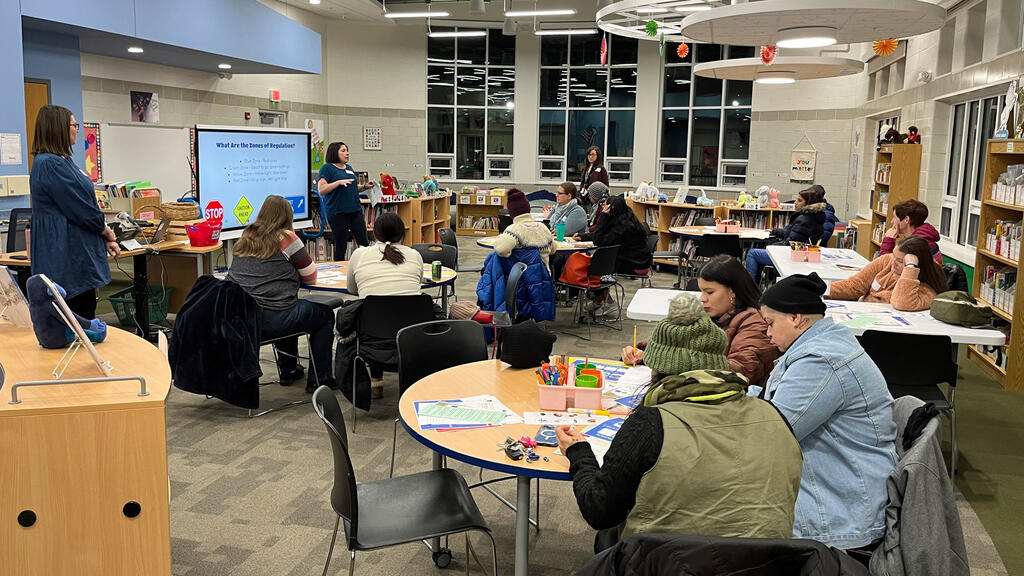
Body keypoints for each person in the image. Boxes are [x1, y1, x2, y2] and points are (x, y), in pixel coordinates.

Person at [557, 293, 802, 551]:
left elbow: (599, 510)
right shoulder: (773, 415)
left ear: (658, 368)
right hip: (765, 562)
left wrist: (578, 453)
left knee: (611, 530)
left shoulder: (650, 424)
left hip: (668, 563)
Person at [757, 273, 897, 552]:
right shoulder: (822, 344)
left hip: (840, 511)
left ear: (795, 318)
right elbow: (771, 403)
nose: (768, 333)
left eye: (770, 323)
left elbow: (773, 432)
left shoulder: (821, 361)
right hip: (841, 483)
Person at [227, 195, 335, 393]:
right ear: (287, 217)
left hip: (240, 319)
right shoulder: (286, 238)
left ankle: (288, 370)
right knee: (324, 315)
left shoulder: (246, 236)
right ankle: (320, 379)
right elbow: (311, 277)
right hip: (272, 318)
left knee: (288, 306)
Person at [623, 255, 780, 388]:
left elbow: (739, 372)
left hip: (725, 401)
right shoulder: (711, 314)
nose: (702, 298)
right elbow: (673, 340)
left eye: (710, 292)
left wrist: (666, 360)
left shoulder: (756, 324)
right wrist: (643, 351)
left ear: (733, 291)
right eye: (701, 291)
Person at [29, 104, 120, 319]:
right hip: (66, 258)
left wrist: (102, 235)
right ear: (58, 128)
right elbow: (81, 209)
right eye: (74, 125)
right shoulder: (51, 164)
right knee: (75, 320)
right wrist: (107, 232)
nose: (77, 129)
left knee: (85, 315)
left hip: (75, 253)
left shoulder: (62, 161)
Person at [346, 211, 425, 398]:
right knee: (393, 306)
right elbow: (417, 285)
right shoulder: (414, 255)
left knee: (371, 308)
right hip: (411, 337)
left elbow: (352, 289)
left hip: (372, 337)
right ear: (403, 235)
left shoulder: (359, 255)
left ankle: (376, 382)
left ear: (374, 234)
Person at [574, 196, 652, 317]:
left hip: (637, 265)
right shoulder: (622, 220)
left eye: (605, 206)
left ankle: (606, 301)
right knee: (599, 263)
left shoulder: (624, 227)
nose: (603, 207)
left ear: (612, 209)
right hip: (632, 259)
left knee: (597, 266)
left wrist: (602, 217)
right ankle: (600, 300)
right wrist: (582, 237)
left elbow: (599, 240)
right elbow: (603, 235)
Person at [827, 235, 945, 311]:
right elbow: (854, 286)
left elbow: (902, 302)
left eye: (900, 261)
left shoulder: (926, 289)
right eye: (894, 256)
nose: (893, 263)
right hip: (861, 313)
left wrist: (910, 268)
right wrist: (822, 289)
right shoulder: (887, 261)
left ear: (916, 265)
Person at [745, 186, 828, 280]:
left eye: (799, 200)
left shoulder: (805, 220)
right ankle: (755, 284)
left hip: (789, 256)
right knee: (760, 252)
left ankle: (749, 286)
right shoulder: (811, 216)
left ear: (808, 204)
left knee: (752, 253)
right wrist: (773, 231)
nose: (795, 202)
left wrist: (770, 247)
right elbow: (791, 233)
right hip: (799, 255)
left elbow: (790, 244)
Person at [318, 141, 375, 260]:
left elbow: (352, 186)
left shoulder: (349, 168)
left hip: (355, 211)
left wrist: (364, 187)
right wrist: (338, 182)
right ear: (335, 152)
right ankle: (339, 268)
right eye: (343, 151)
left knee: (364, 243)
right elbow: (321, 189)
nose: (347, 153)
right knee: (341, 246)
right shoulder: (327, 168)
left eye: (347, 150)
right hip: (338, 212)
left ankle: (365, 266)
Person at [493, 188, 555, 266]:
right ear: (528, 208)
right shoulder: (543, 228)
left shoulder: (513, 230)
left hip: (520, 272)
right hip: (542, 272)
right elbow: (553, 249)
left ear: (511, 212)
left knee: (493, 258)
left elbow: (501, 250)